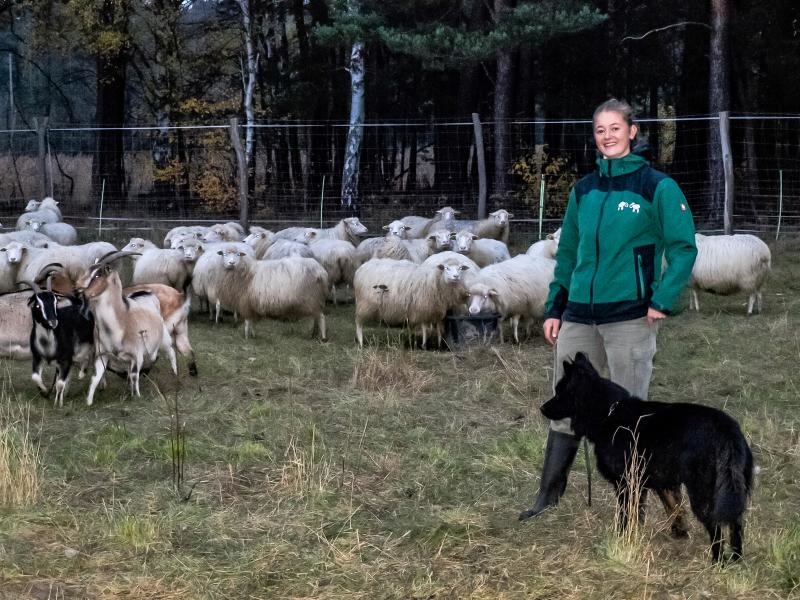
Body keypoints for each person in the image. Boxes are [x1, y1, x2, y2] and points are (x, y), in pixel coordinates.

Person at [519, 98, 698, 520]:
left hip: (630, 316)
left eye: (615, 128)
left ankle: (640, 505)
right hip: (579, 314)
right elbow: (569, 254)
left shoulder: (656, 186)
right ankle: (548, 495)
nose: (608, 136)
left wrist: (661, 299)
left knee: (630, 411)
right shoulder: (585, 190)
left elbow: (683, 248)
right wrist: (554, 307)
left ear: (632, 131)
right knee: (566, 401)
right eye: (600, 130)